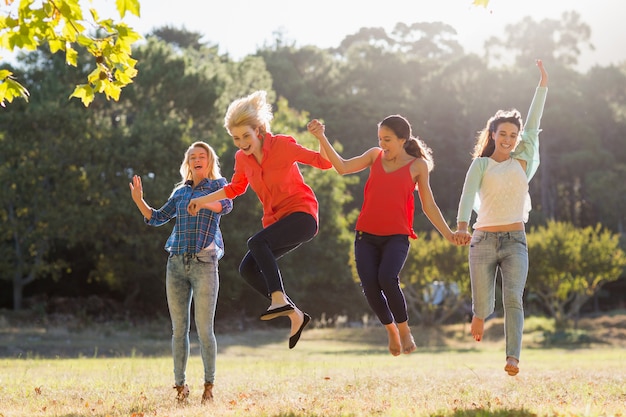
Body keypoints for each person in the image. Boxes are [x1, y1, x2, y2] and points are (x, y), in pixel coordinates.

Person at [187, 90, 333, 349]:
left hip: (303, 215)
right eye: (236, 138)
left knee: (256, 242)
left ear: (259, 130)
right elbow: (234, 188)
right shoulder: (242, 159)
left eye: (246, 135)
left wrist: (320, 137)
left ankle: (278, 298)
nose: (242, 142)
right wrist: (204, 201)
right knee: (248, 269)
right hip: (277, 222)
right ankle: (295, 315)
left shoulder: (283, 146)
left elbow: (324, 162)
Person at [307, 114, 459, 356]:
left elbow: (429, 206)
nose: (382, 144)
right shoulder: (374, 156)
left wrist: (449, 234)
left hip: (396, 237)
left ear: (403, 139)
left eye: (387, 139)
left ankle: (404, 329)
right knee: (370, 285)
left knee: (387, 278)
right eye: (380, 139)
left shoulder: (417, 166)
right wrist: (321, 137)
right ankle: (390, 330)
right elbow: (343, 168)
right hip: (366, 235)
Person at [455, 59, 548, 376]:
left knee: (513, 297)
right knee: (484, 303)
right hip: (482, 240)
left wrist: (542, 85)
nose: (508, 139)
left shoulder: (522, 162)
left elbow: (534, 124)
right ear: (492, 134)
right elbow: (468, 195)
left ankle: (513, 358)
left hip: (515, 242)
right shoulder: (481, 165)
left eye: (513, 134)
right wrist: (461, 226)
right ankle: (480, 313)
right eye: (502, 133)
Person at [129, 141, 232, 404]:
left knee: (205, 330)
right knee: (179, 330)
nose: (197, 159)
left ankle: (208, 386)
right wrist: (140, 200)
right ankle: (180, 387)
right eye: (193, 156)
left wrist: (202, 203)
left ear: (209, 162)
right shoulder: (180, 192)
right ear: (188, 163)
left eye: (202, 156)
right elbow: (157, 217)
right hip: (176, 264)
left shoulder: (218, 186)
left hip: (205, 263)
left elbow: (225, 206)